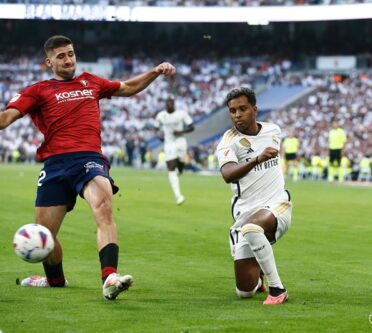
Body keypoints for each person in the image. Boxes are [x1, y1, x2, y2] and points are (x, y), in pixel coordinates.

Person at [0, 35, 176, 300]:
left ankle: (109, 277)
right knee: (45, 236)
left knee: (103, 207)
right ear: (49, 62)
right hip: (56, 164)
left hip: (89, 158)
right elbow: (4, 120)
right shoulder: (37, 90)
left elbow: (127, 87)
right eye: (61, 56)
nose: (68, 59)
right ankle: (55, 280)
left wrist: (154, 71)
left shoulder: (91, 81)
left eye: (70, 53)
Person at [216, 87, 292, 305]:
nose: (237, 115)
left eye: (242, 109)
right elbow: (228, 175)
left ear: (254, 109)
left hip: (278, 205)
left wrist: (259, 158)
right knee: (244, 291)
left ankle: (278, 290)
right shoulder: (228, 141)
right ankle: (258, 279)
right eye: (232, 111)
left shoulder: (273, 131)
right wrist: (257, 159)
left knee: (253, 228)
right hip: (245, 213)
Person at [155, 97, 194, 205]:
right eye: (167, 103)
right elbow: (156, 128)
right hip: (169, 144)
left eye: (171, 103)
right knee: (171, 167)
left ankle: (180, 169)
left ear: (174, 104)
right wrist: (159, 136)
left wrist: (181, 131)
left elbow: (191, 127)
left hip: (181, 142)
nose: (169, 105)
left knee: (180, 165)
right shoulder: (160, 116)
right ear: (165, 104)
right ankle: (178, 196)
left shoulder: (181, 114)